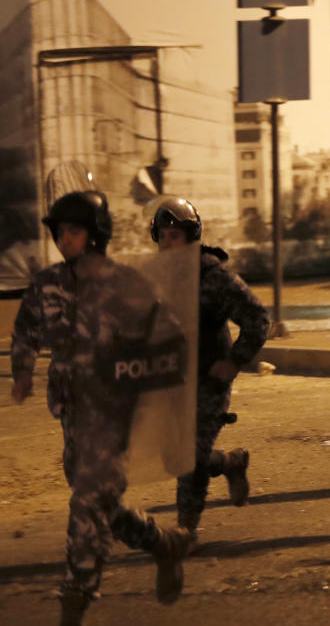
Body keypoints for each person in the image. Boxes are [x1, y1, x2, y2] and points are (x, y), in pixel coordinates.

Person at [11, 191, 193, 624]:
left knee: (88, 502)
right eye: (59, 233)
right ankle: (162, 543)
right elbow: (26, 330)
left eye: (73, 231)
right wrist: (22, 371)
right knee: (100, 499)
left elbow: (169, 341)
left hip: (116, 411)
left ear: (94, 234)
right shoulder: (47, 283)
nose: (64, 240)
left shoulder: (125, 283)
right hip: (73, 411)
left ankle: (76, 594)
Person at [150, 198, 270, 547]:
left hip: (209, 380)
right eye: (164, 236)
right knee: (175, 455)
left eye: (176, 235)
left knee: (188, 456)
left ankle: (185, 531)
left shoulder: (214, 277)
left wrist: (235, 360)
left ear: (192, 237)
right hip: (173, 381)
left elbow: (258, 318)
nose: (169, 243)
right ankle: (230, 463)